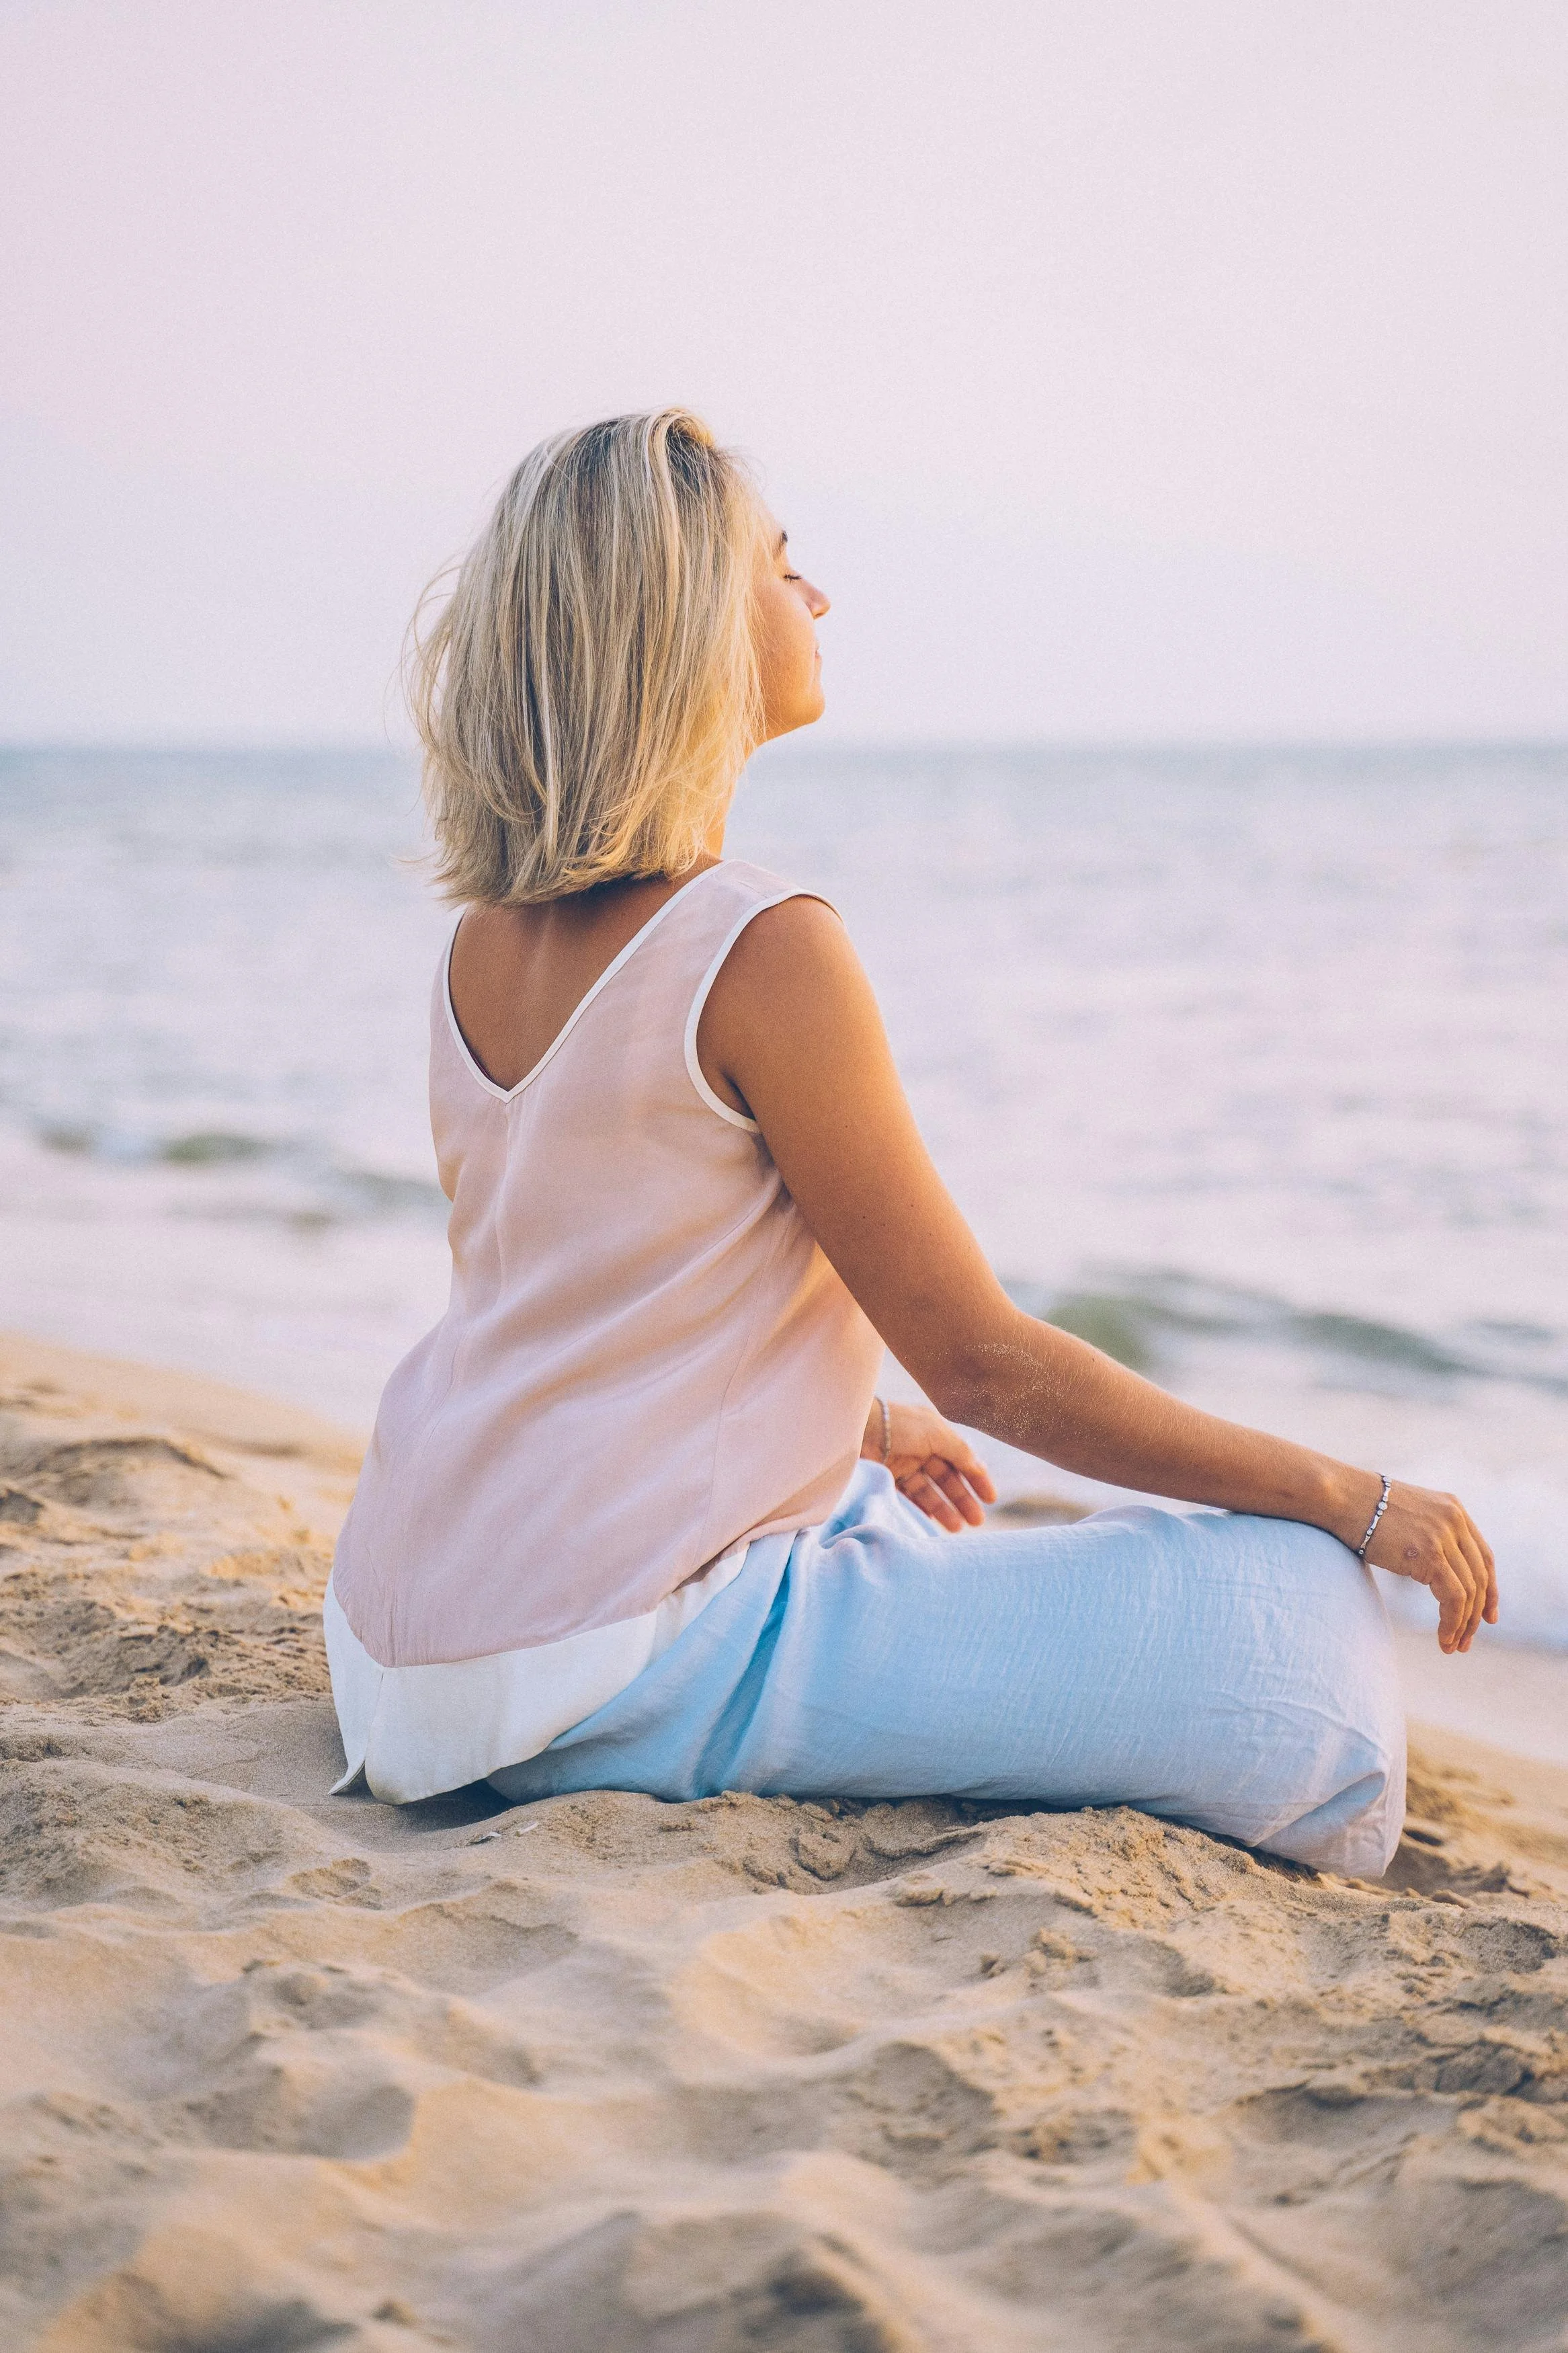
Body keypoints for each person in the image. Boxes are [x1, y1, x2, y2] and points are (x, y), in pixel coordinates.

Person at [324, 408, 1496, 1878]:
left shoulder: (477, 944)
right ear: (680, 621)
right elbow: (985, 1362)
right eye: (778, 563)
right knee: (1303, 1610)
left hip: (397, 1643)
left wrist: (857, 1420)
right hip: (600, 1663)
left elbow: (573, 1291)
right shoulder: (761, 947)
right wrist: (1357, 1497)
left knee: (881, 1497)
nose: (814, 596)